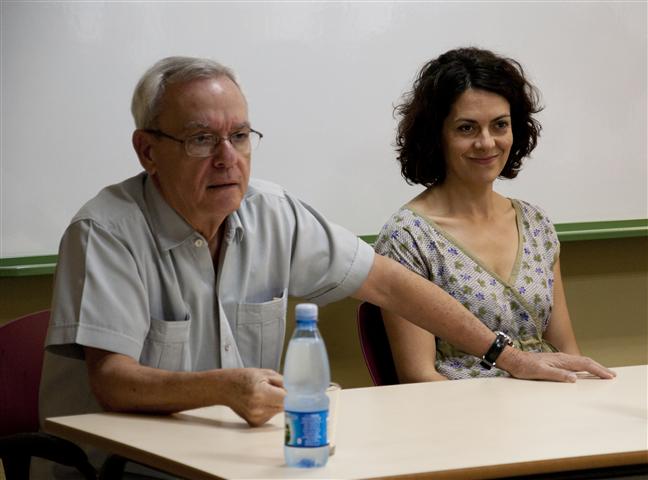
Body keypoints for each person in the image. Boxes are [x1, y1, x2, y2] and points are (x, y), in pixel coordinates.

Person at [38, 56, 612, 478]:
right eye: (200, 139)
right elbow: (110, 380)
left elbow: (391, 284)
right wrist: (223, 388)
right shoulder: (106, 232)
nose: (227, 158)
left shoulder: (272, 212)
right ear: (147, 151)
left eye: (240, 136)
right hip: (126, 469)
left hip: (241, 459)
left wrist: (508, 356)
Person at [375, 47, 585, 382]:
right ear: (436, 136)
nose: (487, 143)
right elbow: (418, 377)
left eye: (499, 125)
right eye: (466, 128)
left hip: (550, 413)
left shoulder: (537, 224)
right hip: (461, 420)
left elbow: (567, 352)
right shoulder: (407, 238)